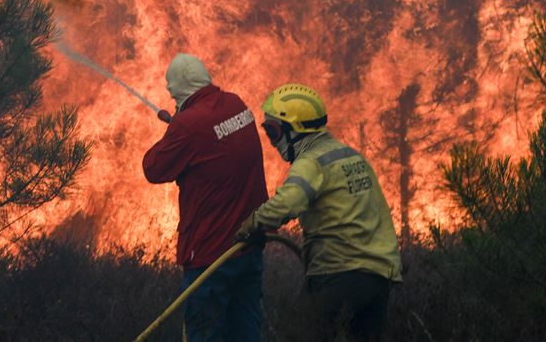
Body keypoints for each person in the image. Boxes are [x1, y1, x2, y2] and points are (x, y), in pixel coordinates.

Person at [237, 83, 402, 341]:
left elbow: (286, 204)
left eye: (272, 131)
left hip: (338, 275)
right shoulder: (351, 157)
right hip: (378, 279)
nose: (271, 141)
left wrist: (250, 225)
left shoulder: (311, 161)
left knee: (299, 332)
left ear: (295, 129)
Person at [142, 53, 268, 341]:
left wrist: (176, 133)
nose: (173, 101)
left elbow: (153, 168)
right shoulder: (236, 104)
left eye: (174, 95)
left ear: (181, 89)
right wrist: (182, 131)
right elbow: (213, 143)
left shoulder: (187, 126)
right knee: (245, 333)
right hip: (247, 247)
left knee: (205, 333)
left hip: (210, 256)